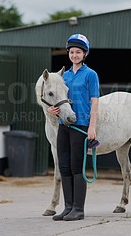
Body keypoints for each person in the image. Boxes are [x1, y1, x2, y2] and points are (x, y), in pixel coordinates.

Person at [47, 34, 99, 221]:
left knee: (77, 168)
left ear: (85, 54)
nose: (75, 55)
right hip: (64, 125)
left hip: (81, 126)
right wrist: (52, 109)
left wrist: (92, 126)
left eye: (78, 52)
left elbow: (95, 102)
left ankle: (79, 209)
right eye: (72, 52)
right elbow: (56, 97)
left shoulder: (91, 75)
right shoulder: (64, 76)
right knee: (64, 167)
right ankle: (67, 207)